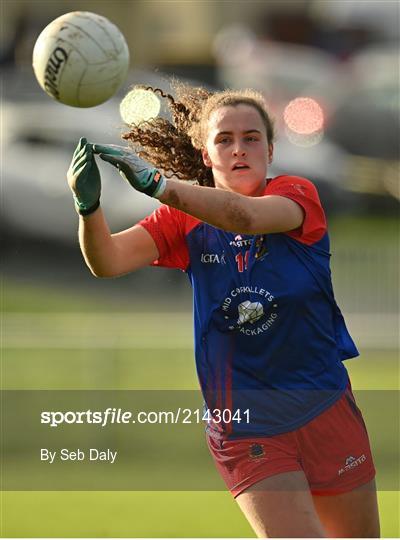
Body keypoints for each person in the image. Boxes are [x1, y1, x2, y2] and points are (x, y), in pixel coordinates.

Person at [67, 84, 380, 538]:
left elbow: (244, 216)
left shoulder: (297, 194)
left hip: (324, 405)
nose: (239, 149)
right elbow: (107, 261)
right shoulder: (181, 220)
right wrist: (87, 207)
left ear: (271, 149)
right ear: (205, 151)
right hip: (246, 427)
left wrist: (159, 185)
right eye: (224, 139)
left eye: (252, 138)